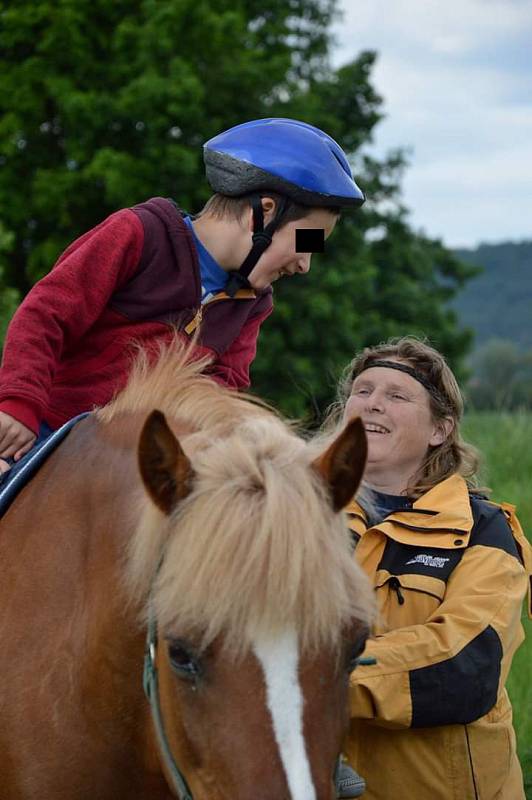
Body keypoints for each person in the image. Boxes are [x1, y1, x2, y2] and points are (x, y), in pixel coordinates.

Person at [0, 117, 365, 475]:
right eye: (307, 242)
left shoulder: (253, 303)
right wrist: (19, 404)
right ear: (264, 214)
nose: (305, 265)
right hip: (51, 433)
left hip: (142, 467)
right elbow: (47, 315)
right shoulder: (140, 235)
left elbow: (223, 389)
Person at [332, 336, 532, 800]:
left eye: (396, 396)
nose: (373, 404)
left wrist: (314, 680)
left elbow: (465, 666)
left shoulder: (484, 531)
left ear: (439, 430)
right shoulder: (298, 518)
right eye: (362, 391)